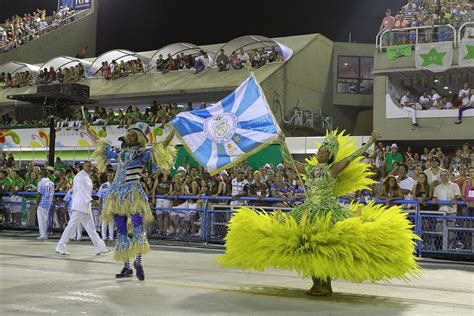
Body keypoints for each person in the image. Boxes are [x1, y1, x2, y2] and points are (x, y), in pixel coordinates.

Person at [217, 131, 419, 296]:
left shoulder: (333, 169)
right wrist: (281, 143)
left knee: (324, 245)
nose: (321, 152)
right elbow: (289, 162)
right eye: (320, 149)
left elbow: (352, 157)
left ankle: (324, 283)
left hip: (327, 210)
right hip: (307, 209)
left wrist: (370, 143)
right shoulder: (310, 168)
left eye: (324, 150)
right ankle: (318, 283)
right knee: (308, 247)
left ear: (330, 154)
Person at [88, 121, 176, 281]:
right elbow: (100, 144)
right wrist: (88, 129)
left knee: (138, 227)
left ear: (139, 139)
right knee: (121, 230)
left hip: (133, 193)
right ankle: (127, 267)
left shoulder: (143, 153)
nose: (129, 136)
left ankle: (138, 262)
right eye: (128, 134)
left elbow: (162, 146)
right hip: (116, 194)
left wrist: (174, 131)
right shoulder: (118, 153)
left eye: (133, 135)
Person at [55, 161, 109, 256]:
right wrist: (93, 201)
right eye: (88, 166)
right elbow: (82, 191)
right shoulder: (80, 177)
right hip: (80, 206)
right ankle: (60, 245)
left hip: (85, 207)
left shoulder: (86, 177)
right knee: (71, 227)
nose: (90, 168)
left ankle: (100, 247)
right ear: (83, 167)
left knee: (91, 229)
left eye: (91, 166)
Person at [35, 169, 55, 240]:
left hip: (42, 203)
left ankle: (43, 234)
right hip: (49, 202)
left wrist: (36, 204)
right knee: (46, 219)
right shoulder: (51, 183)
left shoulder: (41, 182)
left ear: (41, 174)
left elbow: (39, 194)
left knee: (41, 220)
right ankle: (45, 234)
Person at [97, 169, 115, 241]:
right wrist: (99, 207)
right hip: (104, 206)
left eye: (111, 175)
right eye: (108, 175)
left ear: (113, 176)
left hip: (113, 207)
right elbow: (100, 197)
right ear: (107, 176)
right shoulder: (103, 186)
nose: (110, 177)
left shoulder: (116, 185)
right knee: (104, 223)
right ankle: (104, 237)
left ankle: (111, 238)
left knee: (111, 223)